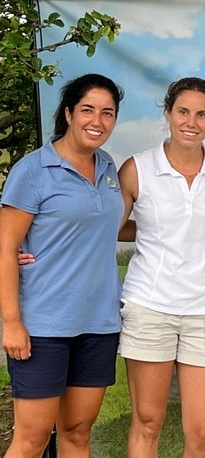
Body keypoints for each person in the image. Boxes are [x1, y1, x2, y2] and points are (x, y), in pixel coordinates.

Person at [117, 77, 205, 458]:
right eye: (183, 112)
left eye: (201, 114)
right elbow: (104, 228)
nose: (191, 121)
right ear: (169, 113)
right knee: (148, 421)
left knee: (203, 431)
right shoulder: (137, 168)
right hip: (149, 307)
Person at [0, 73, 125, 458]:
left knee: (76, 432)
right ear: (69, 113)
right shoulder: (33, 170)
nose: (97, 121)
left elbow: (98, 226)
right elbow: (5, 249)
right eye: (88, 110)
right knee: (32, 440)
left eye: (107, 113)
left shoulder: (107, 167)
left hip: (98, 325)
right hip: (43, 327)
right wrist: (12, 323)